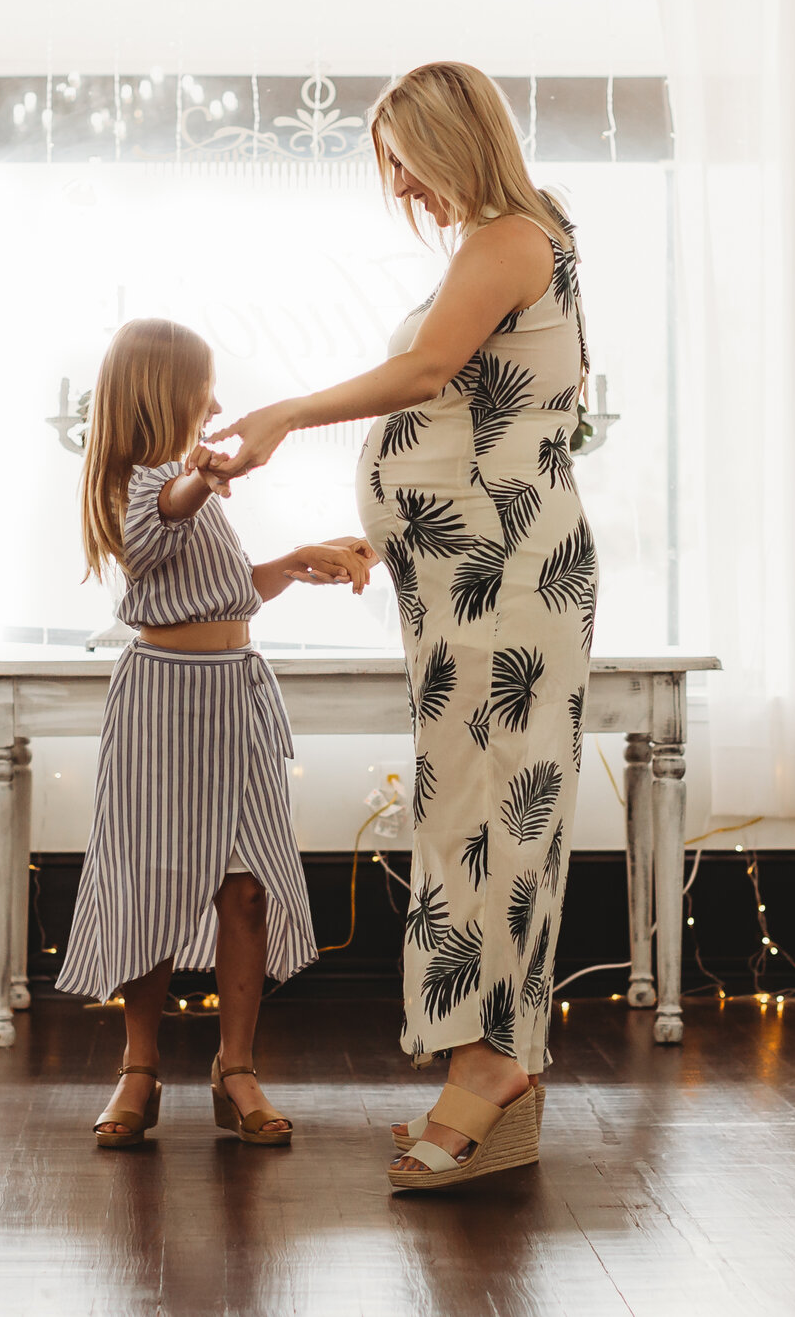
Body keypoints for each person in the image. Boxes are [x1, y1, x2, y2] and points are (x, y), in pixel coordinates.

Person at [208, 63, 596, 1190]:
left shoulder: (511, 236)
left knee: (486, 814)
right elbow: (493, 410)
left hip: (504, 578)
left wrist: (287, 411)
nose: (401, 188)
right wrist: (391, 527)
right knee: (472, 805)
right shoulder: (516, 235)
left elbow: (429, 370)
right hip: (473, 571)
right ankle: (488, 1065)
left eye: (405, 161)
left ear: (448, 141)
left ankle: (488, 1072)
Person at [60, 317, 378, 1149]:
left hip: (232, 698)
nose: (218, 402)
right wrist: (201, 476)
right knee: (149, 884)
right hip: (162, 707)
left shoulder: (185, 489)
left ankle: (236, 1066)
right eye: (205, 386)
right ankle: (139, 1066)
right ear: (167, 391)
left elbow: (220, 589)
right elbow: (161, 517)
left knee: (246, 886)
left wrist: (292, 564)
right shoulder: (139, 484)